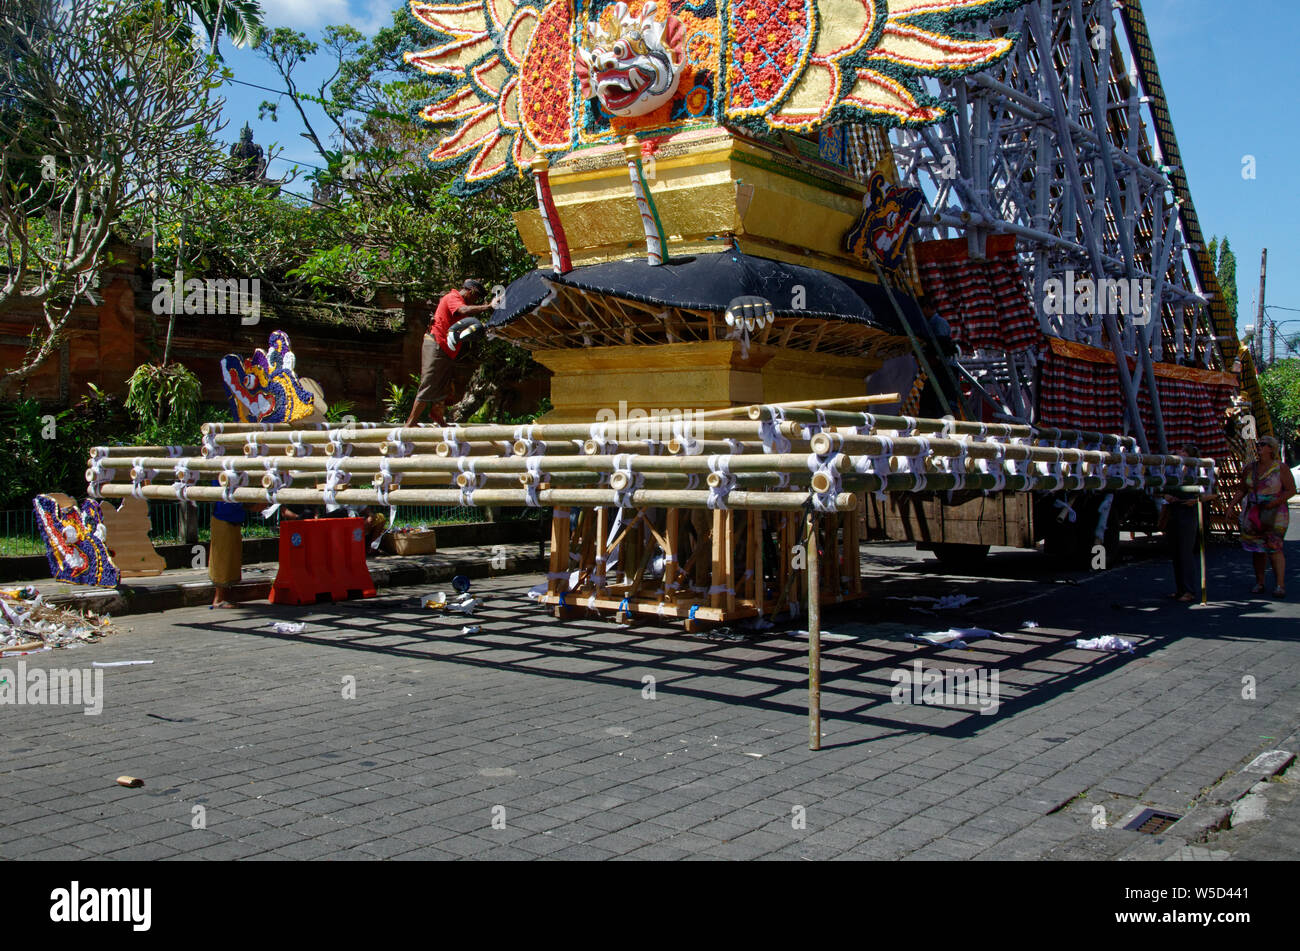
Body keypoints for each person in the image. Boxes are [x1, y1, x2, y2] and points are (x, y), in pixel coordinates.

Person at [406, 279, 494, 428]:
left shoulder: (460, 303)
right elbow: (464, 310)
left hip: (445, 350)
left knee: (444, 385)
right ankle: (410, 424)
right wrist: (488, 306)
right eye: (476, 297)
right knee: (429, 382)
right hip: (436, 345)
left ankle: (438, 416)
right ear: (470, 291)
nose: (476, 300)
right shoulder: (453, 298)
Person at [1234, 436, 1296, 598]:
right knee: (1257, 548)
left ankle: (1280, 585)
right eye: (1258, 444)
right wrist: (1231, 505)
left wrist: (1275, 502)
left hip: (1275, 513)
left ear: (1271, 448)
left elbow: (1291, 490)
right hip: (1254, 511)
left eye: (1263, 445)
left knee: (1274, 546)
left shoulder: (1280, 468)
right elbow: (1242, 489)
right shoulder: (1250, 468)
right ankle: (1260, 582)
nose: (1259, 447)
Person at [1162, 444, 1216, 603]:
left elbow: (1211, 493)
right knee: (1175, 552)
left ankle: (1189, 590)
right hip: (1174, 509)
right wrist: (1166, 496)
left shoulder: (1199, 469)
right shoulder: (1173, 469)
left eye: (1184, 451)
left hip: (1189, 510)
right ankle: (1180, 589)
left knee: (1186, 552)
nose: (1180, 452)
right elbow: (1162, 487)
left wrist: (1196, 499)